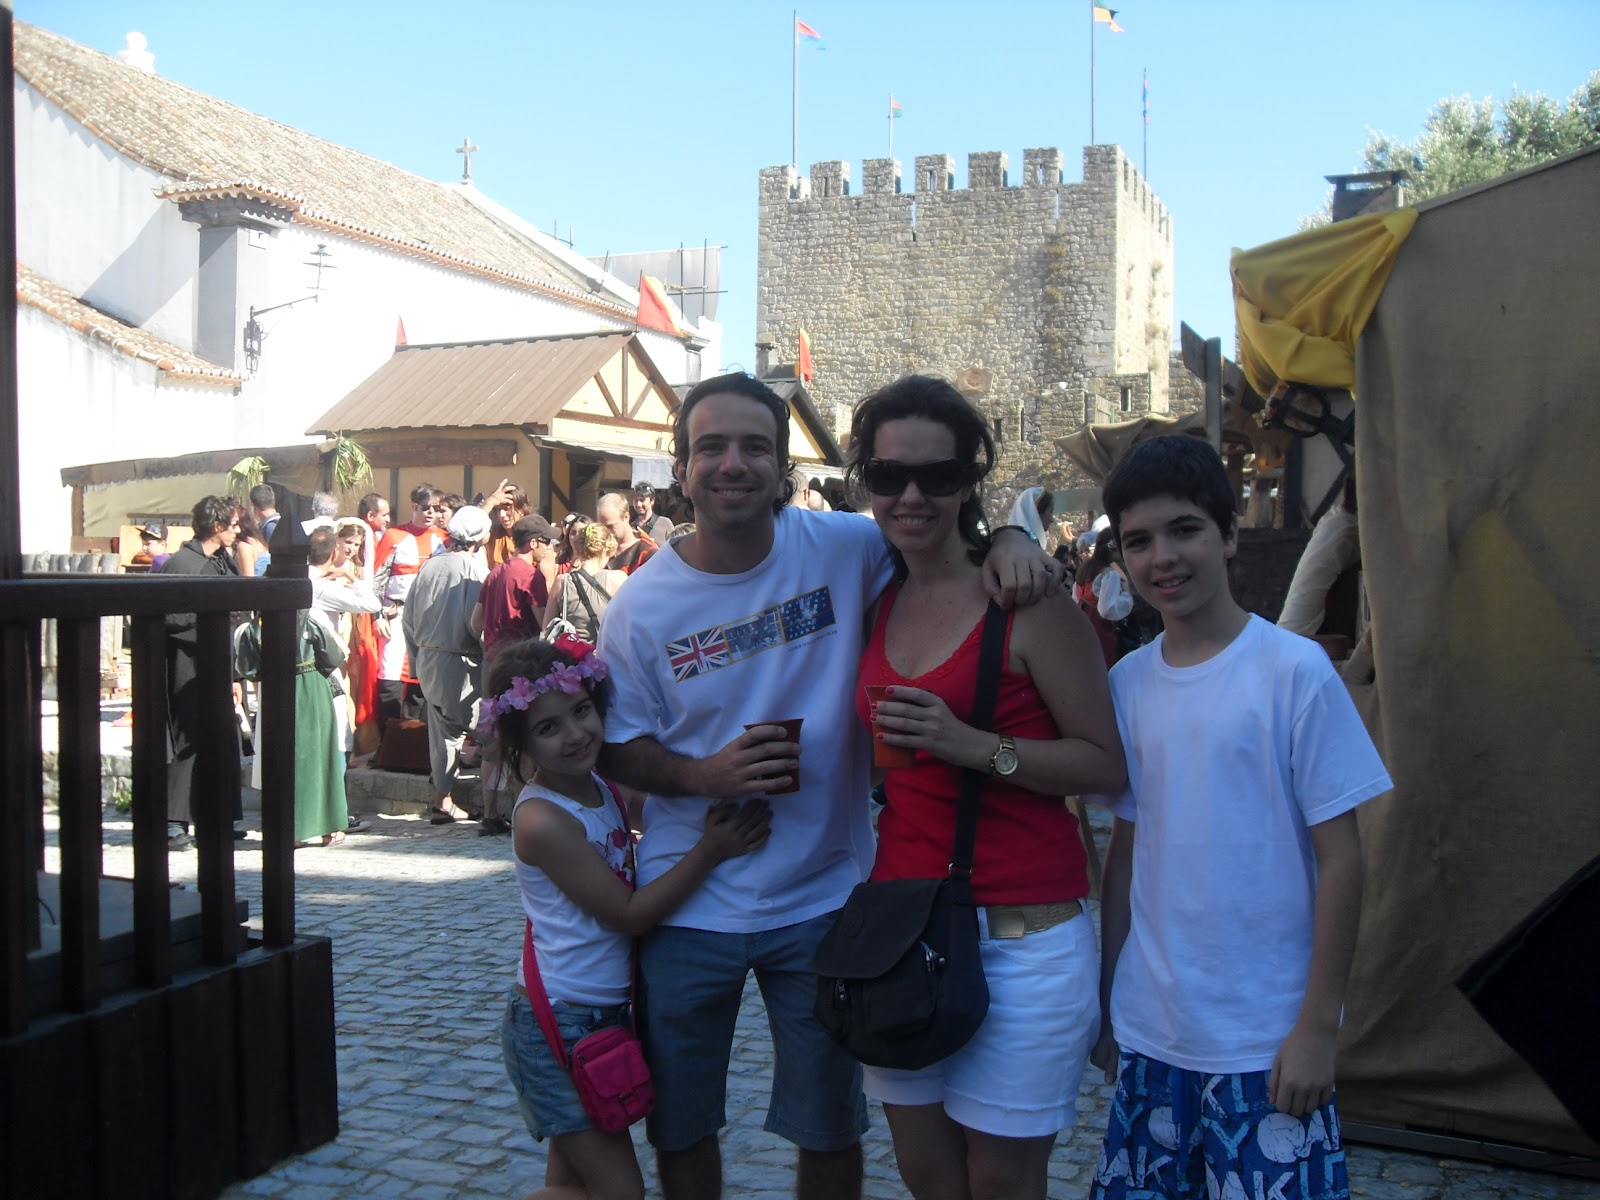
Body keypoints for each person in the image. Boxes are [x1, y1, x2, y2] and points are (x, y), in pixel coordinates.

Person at [595, 371, 1059, 1200]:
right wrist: (702, 775)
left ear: (784, 467)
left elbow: (937, 535)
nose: (732, 464)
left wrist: (1011, 541)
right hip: (687, 901)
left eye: (755, 448)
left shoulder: (846, 546)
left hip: (825, 899)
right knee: (683, 1125)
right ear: (682, 466)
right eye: (711, 447)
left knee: (830, 1125)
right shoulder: (641, 605)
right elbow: (619, 746)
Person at [1086, 436, 1393, 1200]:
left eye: (1184, 529)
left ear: (1228, 534)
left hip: (1267, 1041)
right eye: (1139, 540)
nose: (1163, 557)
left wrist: (1317, 1026)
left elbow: (1342, 858)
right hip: (1153, 1033)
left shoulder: (1295, 672)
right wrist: (1108, 1003)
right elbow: (1126, 853)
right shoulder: (1126, 685)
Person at [850, 376, 1126, 1200]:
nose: (911, 496)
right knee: (928, 1176)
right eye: (889, 475)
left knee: (1002, 1181)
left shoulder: (1027, 603)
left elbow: (1105, 766)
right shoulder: (876, 593)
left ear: (969, 481)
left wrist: (974, 748)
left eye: (936, 476)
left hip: (1022, 939)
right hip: (902, 931)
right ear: (865, 480)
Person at [483, 637, 772, 1200]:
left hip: (605, 1018)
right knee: (620, 1192)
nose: (575, 734)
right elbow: (629, 914)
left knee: (572, 1181)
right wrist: (711, 850)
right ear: (522, 743)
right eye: (549, 727)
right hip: (560, 1024)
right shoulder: (542, 821)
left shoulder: (600, 787)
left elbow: (657, 811)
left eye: (581, 711)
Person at [158, 495, 243, 850]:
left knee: (223, 735)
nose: (238, 530)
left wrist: (235, 674)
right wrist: (212, 623)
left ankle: (219, 815)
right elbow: (171, 617)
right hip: (187, 663)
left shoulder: (223, 561)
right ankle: (173, 822)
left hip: (218, 664)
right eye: (233, 524)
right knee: (187, 737)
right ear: (217, 525)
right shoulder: (181, 564)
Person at [403, 505, 491, 825]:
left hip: (428, 658)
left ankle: (443, 800)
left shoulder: (430, 565)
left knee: (443, 734)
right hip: (460, 661)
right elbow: (477, 623)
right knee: (488, 730)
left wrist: (417, 661)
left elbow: (408, 618)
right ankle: (494, 807)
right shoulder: (474, 569)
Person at [372, 483, 450, 722]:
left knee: (423, 678)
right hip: (396, 615)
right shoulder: (394, 536)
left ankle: (413, 735)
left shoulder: (444, 539)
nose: (431, 513)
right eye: (426, 507)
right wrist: (377, 616)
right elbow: (377, 578)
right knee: (390, 675)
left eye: (436, 508)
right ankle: (388, 735)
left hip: (431, 618)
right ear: (414, 506)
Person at [334, 517, 383, 755]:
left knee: (353, 684)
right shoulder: (327, 567)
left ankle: (353, 741)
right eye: (348, 542)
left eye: (356, 544)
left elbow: (368, 600)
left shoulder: (357, 569)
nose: (352, 548)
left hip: (354, 629)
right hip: (338, 628)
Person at [544, 523, 625, 645]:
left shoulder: (562, 582)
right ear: (605, 550)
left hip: (571, 655)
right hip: (605, 654)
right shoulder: (618, 579)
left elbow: (546, 630)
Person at [597, 492, 656, 575]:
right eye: (602, 526)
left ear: (626, 517)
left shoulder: (647, 552)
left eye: (610, 526)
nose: (606, 531)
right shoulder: (597, 547)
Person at [486, 484, 534, 568]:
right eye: (498, 509)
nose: (501, 515)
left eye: (506, 509)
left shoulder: (535, 536)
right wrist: (489, 503)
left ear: (521, 509)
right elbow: (470, 533)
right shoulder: (492, 534)